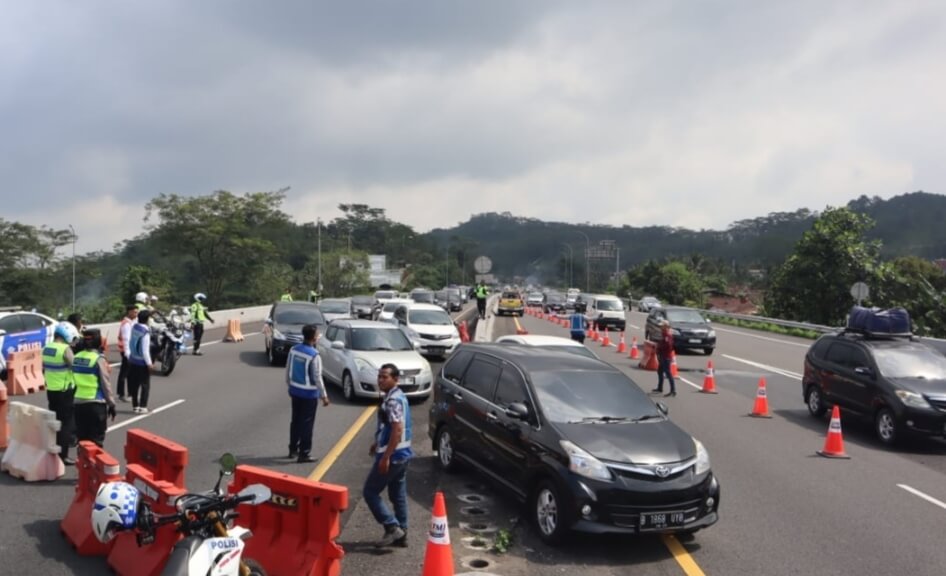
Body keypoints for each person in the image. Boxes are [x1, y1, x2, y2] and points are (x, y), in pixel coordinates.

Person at [364, 363, 412, 548]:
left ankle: (392, 527)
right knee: (398, 494)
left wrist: (385, 457)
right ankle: (403, 534)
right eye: (380, 376)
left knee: (370, 492)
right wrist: (377, 442)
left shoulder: (392, 401)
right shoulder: (398, 397)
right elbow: (389, 426)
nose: (381, 380)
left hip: (393, 456)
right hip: (403, 454)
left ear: (395, 379)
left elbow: (397, 430)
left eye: (385, 377)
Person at [285, 324, 330, 463]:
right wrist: (324, 395)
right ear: (314, 338)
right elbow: (317, 377)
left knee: (295, 421)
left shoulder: (294, 350)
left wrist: (289, 384)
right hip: (309, 394)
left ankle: (293, 449)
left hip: (295, 390)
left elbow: (288, 368)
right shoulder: (314, 355)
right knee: (307, 424)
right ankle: (304, 453)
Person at [72, 329, 117, 447]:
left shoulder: (76, 357)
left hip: (78, 403)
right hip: (95, 404)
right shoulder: (98, 359)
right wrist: (111, 404)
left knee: (82, 441)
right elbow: (105, 383)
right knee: (96, 442)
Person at [43, 323, 78, 465]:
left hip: (51, 390)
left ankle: (52, 448)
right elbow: (74, 365)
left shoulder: (46, 348)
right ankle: (63, 455)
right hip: (65, 390)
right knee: (66, 424)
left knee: (54, 422)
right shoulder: (65, 349)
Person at [127, 309, 154, 414]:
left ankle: (135, 406)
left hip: (133, 359)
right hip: (142, 362)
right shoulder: (145, 332)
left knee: (134, 384)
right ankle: (143, 406)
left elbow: (130, 342)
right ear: (147, 319)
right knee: (145, 385)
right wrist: (149, 363)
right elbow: (145, 350)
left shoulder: (135, 327)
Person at [116, 304, 138, 402]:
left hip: (130, 350)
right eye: (135, 312)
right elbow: (126, 339)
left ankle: (130, 393)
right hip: (126, 351)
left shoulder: (132, 322)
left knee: (130, 373)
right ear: (129, 312)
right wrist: (127, 353)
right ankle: (121, 393)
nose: (136, 314)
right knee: (125, 373)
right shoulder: (126, 324)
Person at [652, 320, 676, 397]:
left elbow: (668, 346)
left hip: (665, 357)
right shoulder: (664, 334)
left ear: (665, 327)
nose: (660, 327)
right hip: (663, 356)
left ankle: (673, 390)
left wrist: (660, 347)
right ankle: (660, 387)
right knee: (660, 371)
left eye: (662, 326)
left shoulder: (667, 335)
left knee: (668, 373)